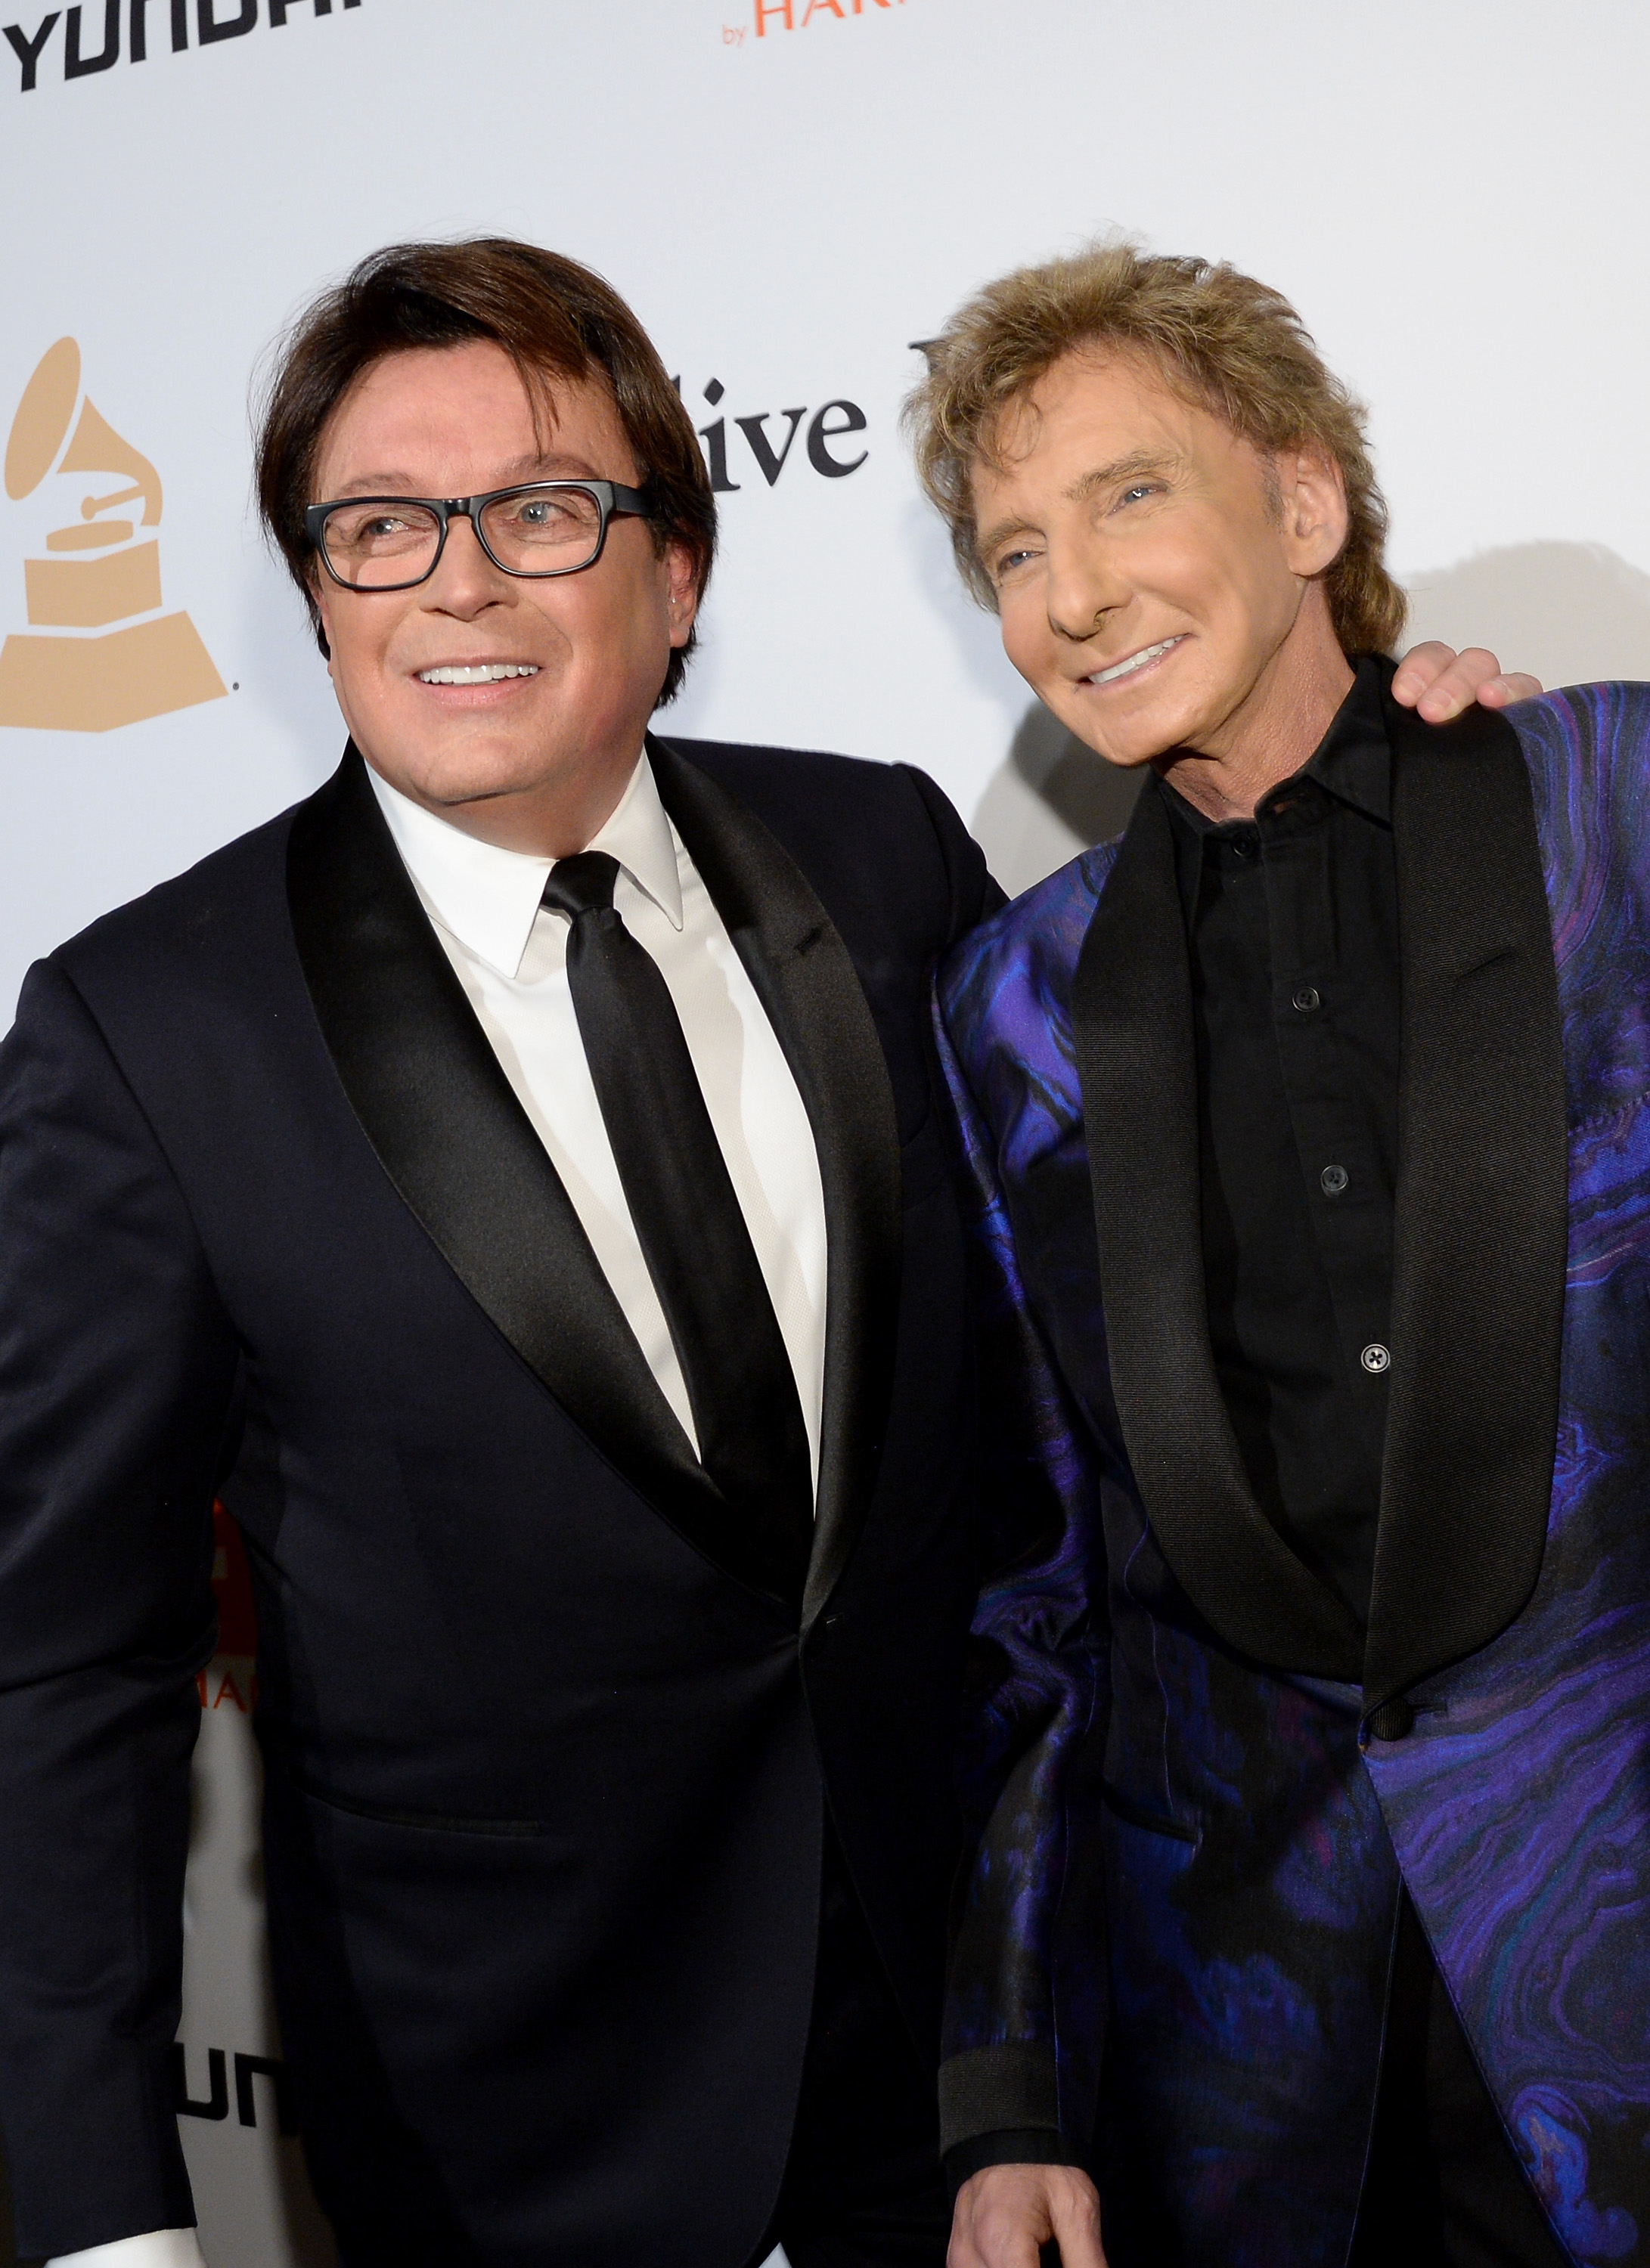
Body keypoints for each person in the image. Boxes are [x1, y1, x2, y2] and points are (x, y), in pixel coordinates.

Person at [0, 235, 1515, 2268]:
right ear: (316, 593)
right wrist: (109, 2222)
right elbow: (65, 1663)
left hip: (988, 2096)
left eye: (539, 510)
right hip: (518, 2133)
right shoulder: (148, 1031)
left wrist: (1454, 786)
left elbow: (1092, 1401)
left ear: (678, 574)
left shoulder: (883, 859)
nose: (455, 579)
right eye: (377, 529)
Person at [915, 242, 1646, 2268]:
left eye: (1131, 494)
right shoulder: (1019, 1007)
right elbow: (1040, 1582)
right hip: (1256, 2064)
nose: (1069, 594)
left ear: (1305, 505)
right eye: (1009, 552)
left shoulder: (1614, 803)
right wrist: (1010, 2087)